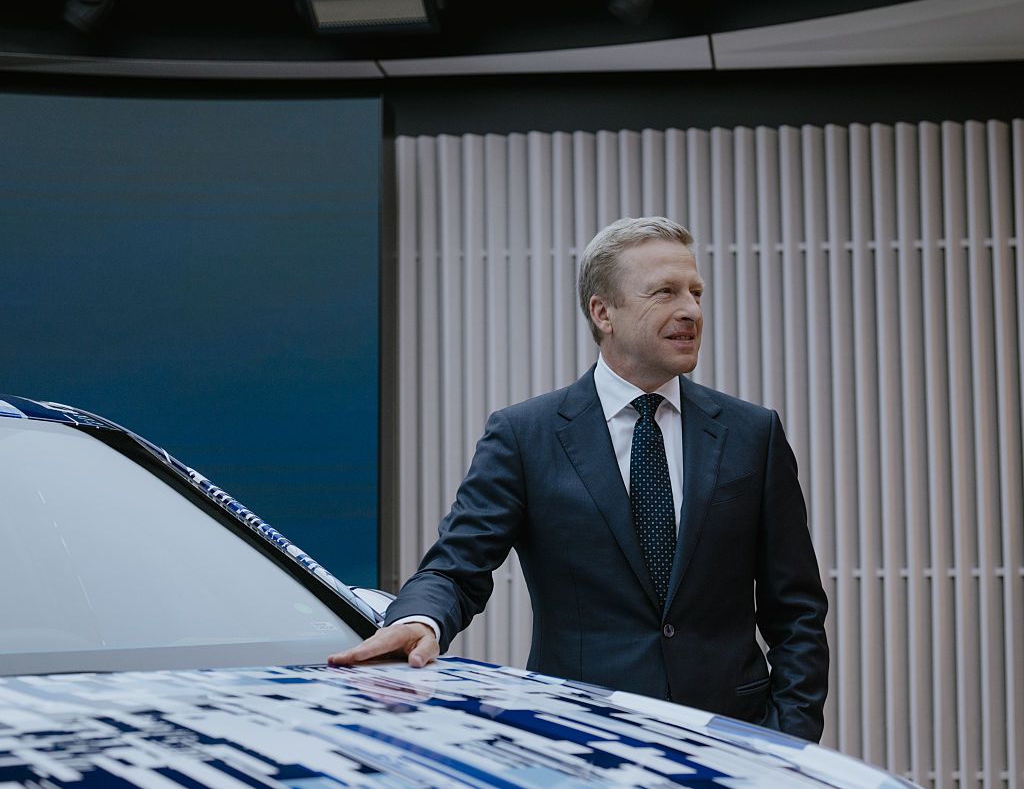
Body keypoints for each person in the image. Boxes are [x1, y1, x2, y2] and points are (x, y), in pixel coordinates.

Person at [329, 216, 829, 742]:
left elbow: (796, 610)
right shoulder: (525, 436)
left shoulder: (752, 433)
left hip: (732, 742)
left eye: (695, 292)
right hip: (578, 742)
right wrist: (419, 621)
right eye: (665, 292)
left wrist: (789, 737)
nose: (691, 310)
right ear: (603, 312)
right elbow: (456, 568)